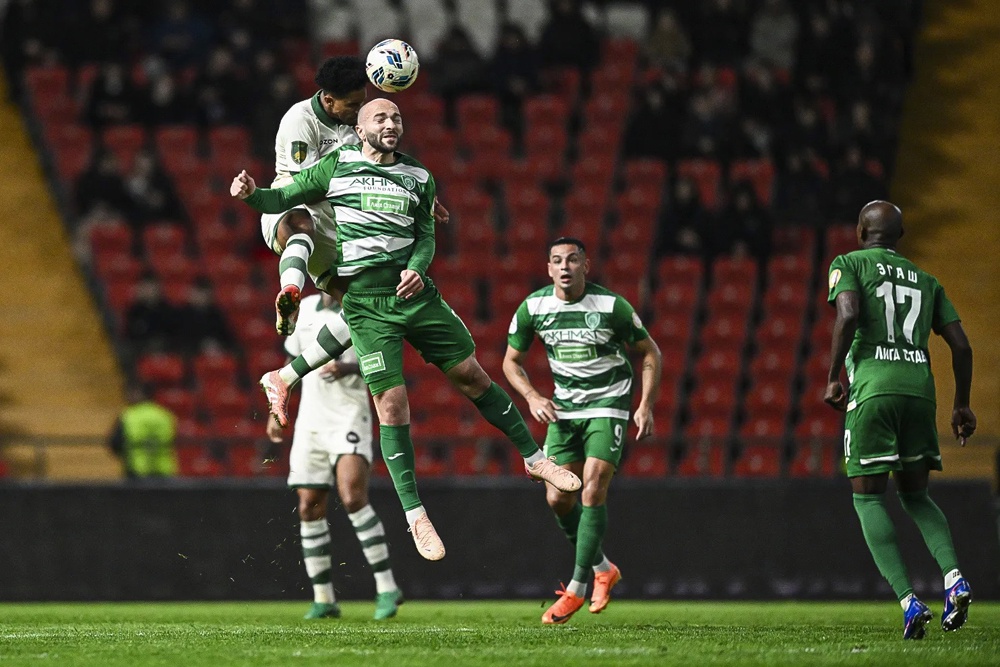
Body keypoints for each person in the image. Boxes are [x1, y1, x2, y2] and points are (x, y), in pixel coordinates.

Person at [231, 98, 581, 561]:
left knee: (473, 376)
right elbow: (283, 199)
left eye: (396, 117)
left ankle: (536, 460)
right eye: (379, 117)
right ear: (359, 130)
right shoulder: (337, 165)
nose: (391, 123)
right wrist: (251, 194)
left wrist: (417, 267)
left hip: (415, 295)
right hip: (367, 303)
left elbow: (425, 235)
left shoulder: (418, 176)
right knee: (393, 406)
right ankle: (417, 516)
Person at [824, 200, 975, 639]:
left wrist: (832, 377)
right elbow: (962, 346)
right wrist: (961, 404)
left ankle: (910, 602)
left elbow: (848, 313)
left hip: (874, 388)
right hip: (920, 393)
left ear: (860, 231)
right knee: (917, 495)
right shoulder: (927, 281)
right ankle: (954, 579)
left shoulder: (849, 263)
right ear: (900, 236)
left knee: (868, 499)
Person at [502, 237, 663, 625]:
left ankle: (576, 588)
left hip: (608, 404)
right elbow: (510, 362)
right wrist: (532, 396)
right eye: (557, 260)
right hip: (565, 410)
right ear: (548, 268)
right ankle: (604, 568)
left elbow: (650, 352)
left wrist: (645, 405)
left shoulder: (611, 306)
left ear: (585, 266)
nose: (565, 267)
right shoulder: (533, 307)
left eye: (573, 260)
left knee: (592, 486)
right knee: (557, 497)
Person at [267, 291, 402, 621]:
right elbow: (290, 364)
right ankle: (323, 598)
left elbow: (386, 363)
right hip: (311, 419)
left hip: (349, 414)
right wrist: (275, 409)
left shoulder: (362, 306)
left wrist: (347, 367)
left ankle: (387, 588)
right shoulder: (305, 308)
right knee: (308, 505)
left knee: (353, 496)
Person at [108, 383, 178, 478]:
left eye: (130, 392)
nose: (127, 396)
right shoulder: (165, 415)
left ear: (139, 393)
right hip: (164, 473)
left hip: (137, 472)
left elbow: (115, 443)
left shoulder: (129, 416)